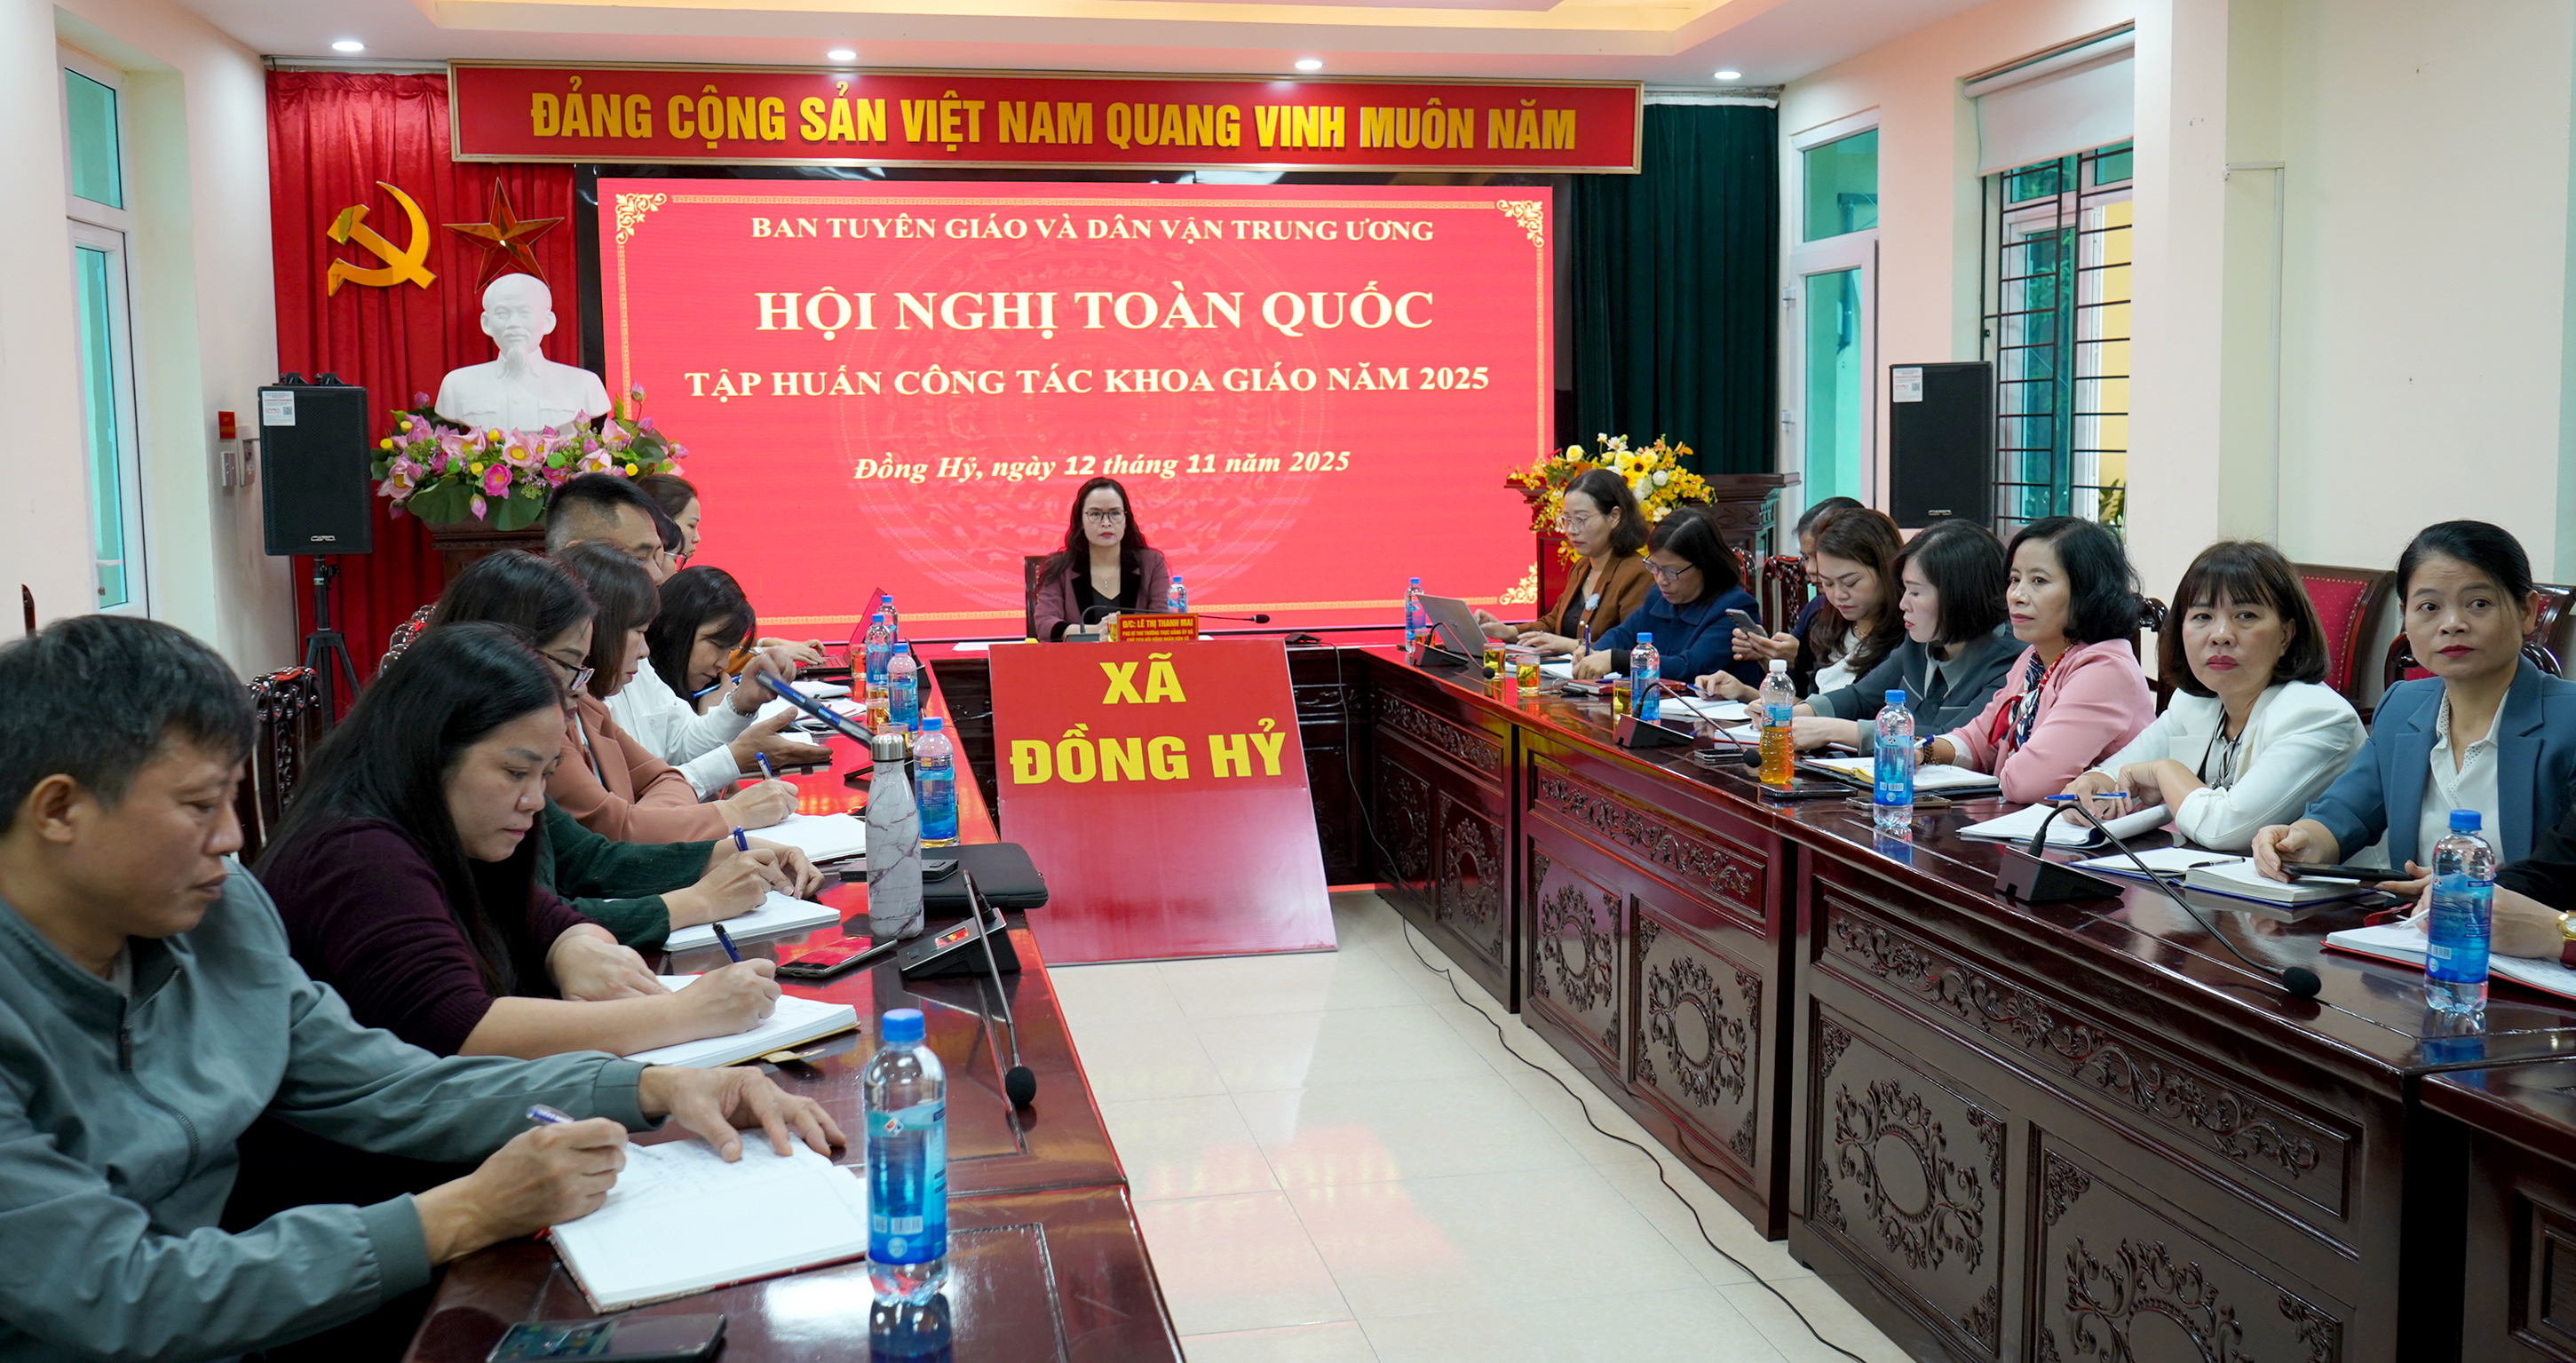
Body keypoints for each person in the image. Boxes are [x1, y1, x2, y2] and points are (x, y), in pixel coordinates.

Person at [0, 613, 839, 1363]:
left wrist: (653, 1087)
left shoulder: (217, 916)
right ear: (59, 809)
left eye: (230, 798)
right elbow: (119, 1292)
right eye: (197, 804)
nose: (230, 837)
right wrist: (460, 1214)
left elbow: (384, 1081)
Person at [257, 623, 789, 1061]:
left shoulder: (453, 823)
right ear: (430, 749)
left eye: (546, 774)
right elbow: (460, 1030)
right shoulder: (357, 854)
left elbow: (529, 908)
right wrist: (683, 1013)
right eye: (516, 773)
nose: (536, 801)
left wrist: (572, 945)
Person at [429, 551, 802, 886]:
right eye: (638, 631)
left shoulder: (585, 702)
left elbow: (664, 779)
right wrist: (730, 815)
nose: (645, 650)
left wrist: (641, 820)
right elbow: (612, 842)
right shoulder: (539, 725)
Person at [2255, 520, 2576, 891]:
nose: (2452, 624)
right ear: (2405, 617)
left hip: (2528, 925)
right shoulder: (2402, 707)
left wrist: (2466, 892)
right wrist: (2303, 839)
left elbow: (2565, 869)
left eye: (2479, 604)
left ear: (2527, 611)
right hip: (2409, 923)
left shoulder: (2567, 720)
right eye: (2429, 607)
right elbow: (2348, 810)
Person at [2062, 541, 2366, 851]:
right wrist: (2093, 785)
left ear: (2286, 635)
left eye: (2245, 615)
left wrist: (2163, 770)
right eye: (2203, 617)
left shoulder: (2316, 716)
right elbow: (2116, 772)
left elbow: (2225, 830)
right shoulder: (2194, 703)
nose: (2221, 635)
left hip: (2327, 883)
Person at [553, 544, 797, 841]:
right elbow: (624, 829)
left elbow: (668, 771)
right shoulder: (557, 720)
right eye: (644, 557)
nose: (658, 573)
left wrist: (742, 703)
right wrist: (735, 810)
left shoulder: (593, 707)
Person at [1915, 516, 2155, 803]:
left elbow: (2028, 782)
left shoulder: (2106, 670)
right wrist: (1922, 750)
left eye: (2038, 581)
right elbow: (1979, 739)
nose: (2017, 595)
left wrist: (1997, 768)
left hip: (2095, 830)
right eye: (2015, 579)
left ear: (2087, 591)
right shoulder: (2034, 657)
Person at [1773, 519, 2020, 750]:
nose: (1903, 604)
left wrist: (1838, 731)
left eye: (1915, 592)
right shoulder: (1919, 644)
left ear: (1959, 595)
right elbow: (1861, 697)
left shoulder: (2010, 662)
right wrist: (1791, 713)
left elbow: (1952, 741)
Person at [612, 564, 828, 799]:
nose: (723, 664)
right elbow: (642, 798)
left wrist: (742, 703)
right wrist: (734, 759)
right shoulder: (601, 690)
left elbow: (681, 744)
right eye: (717, 645)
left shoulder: (641, 669)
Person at [1700, 507, 1905, 700]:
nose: (1838, 595)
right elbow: (1804, 704)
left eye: (1850, 583)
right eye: (1827, 583)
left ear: (1887, 569)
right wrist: (1742, 692)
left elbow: (1850, 712)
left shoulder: (1906, 637)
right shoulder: (1823, 622)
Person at [1570, 508, 1763, 687]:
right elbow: (1623, 634)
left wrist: (1617, 660)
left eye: (1671, 571)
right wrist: (1595, 653)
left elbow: (1690, 668)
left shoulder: (1734, 606)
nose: (1661, 580)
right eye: (1654, 567)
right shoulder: (1658, 596)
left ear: (1704, 565)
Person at [1474, 466, 1651, 654]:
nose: (1571, 530)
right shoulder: (1582, 567)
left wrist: (1572, 646)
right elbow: (1553, 623)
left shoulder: (1637, 573)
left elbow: (1633, 648)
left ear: (1614, 517)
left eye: (1581, 519)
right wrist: (1509, 632)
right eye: (1566, 519)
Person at [1034, 476, 1173, 641]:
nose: (1106, 523)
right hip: (1078, 656)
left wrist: (1123, 629)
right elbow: (1045, 624)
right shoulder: (1059, 567)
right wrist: (1097, 631)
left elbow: (1162, 621)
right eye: (1095, 514)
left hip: (1141, 657)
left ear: (1126, 520)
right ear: (1081, 521)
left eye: (1115, 513)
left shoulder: (1152, 563)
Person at [1735, 495, 1863, 671]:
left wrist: (1803, 659)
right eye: (1805, 558)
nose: (1810, 568)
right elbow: (1793, 684)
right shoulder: (1816, 610)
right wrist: (1766, 654)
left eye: (1818, 556)